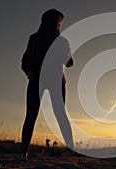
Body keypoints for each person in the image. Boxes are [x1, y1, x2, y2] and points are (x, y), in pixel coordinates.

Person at [21, 9, 73, 158]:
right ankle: (24, 151)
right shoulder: (35, 39)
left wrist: (66, 52)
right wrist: (28, 72)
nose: (58, 25)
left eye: (60, 22)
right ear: (47, 21)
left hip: (56, 81)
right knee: (31, 115)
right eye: (57, 21)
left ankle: (71, 148)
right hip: (36, 79)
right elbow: (25, 61)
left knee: (60, 114)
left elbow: (69, 63)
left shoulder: (62, 41)